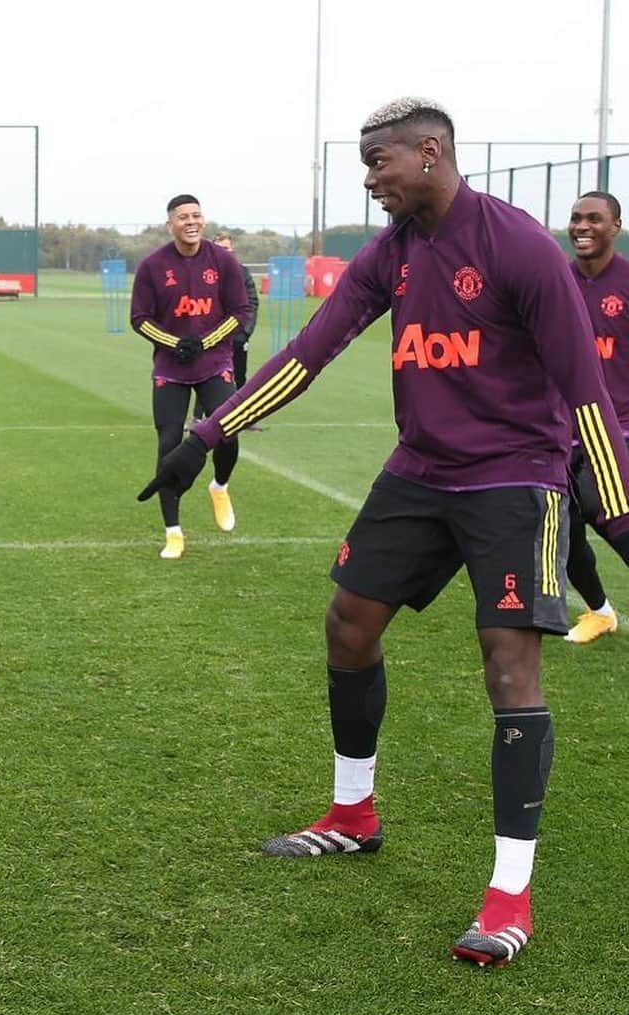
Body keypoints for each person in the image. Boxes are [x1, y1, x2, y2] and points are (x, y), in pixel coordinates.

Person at [139, 98, 629, 965]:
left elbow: (587, 393)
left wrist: (620, 517)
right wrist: (202, 440)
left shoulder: (517, 248)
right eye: (365, 164)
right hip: (420, 470)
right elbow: (305, 356)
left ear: (429, 153)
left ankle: (509, 896)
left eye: (379, 163)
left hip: (515, 477)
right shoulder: (393, 253)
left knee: (507, 662)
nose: (369, 179)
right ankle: (352, 812)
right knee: (347, 621)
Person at [130, 194, 251, 559]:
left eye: (196, 215)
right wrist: (174, 342)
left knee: (227, 434)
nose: (191, 221)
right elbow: (139, 318)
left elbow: (239, 311)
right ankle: (173, 532)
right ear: (170, 224)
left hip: (215, 363)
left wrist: (203, 342)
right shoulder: (153, 266)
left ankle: (220, 485)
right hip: (170, 368)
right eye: (182, 217)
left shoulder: (223, 260)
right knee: (168, 445)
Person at [564, 191, 629, 643]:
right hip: (561, 428)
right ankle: (600, 611)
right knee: (557, 526)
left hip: (619, 426)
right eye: (576, 218)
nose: (582, 226)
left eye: (594, 219)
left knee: (605, 510)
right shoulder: (558, 281)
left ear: (616, 227)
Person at [192, 232, 259, 423]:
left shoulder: (242, 272)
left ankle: (243, 418)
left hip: (237, 336)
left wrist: (244, 332)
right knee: (206, 375)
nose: (225, 252)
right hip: (210, 336)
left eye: (227, 248)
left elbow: (252, 302)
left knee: (239, 375)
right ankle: (199, 418)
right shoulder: (203, 272)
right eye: (220, 248)